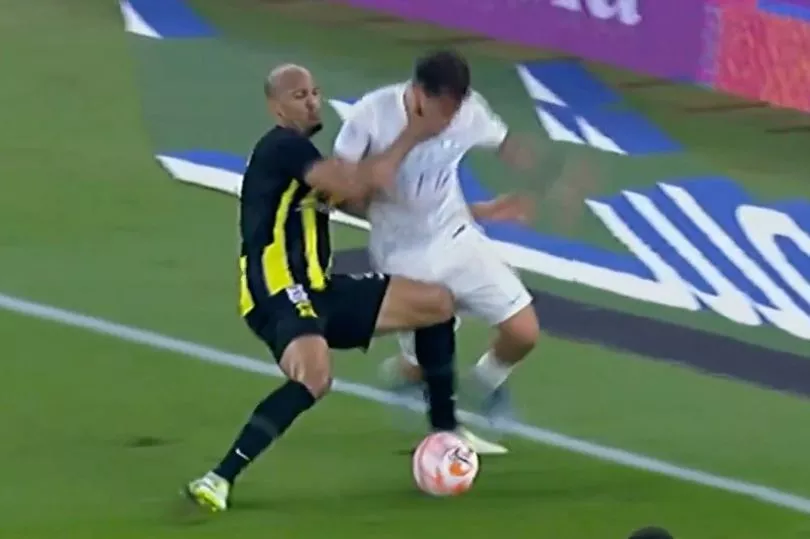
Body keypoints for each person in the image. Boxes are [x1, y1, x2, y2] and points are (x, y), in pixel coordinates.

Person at [185, 63, 467, 512]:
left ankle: (445, 435)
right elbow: (345, 182)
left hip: (319, 289)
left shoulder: (306, 160)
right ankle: (219, 477)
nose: (313, 101)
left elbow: (355, 198)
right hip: (277, 292)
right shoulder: (281, 148)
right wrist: (411, 135)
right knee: (314, 378)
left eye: (315, 92)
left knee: (436, 303)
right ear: (276, 107)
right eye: (300, 95)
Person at [333, 50, 541, 453]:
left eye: (456, 107)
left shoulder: (469, 111)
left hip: (457, 237)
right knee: (427, 362)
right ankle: (419, 390)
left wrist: (541, 183)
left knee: (524, 332)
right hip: (402, 257)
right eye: (443, 108)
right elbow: (340, 190)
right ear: (418, 93)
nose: (450, 117)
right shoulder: (370, 117)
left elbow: (506, 146)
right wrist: (410, 139)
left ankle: (481, 389)